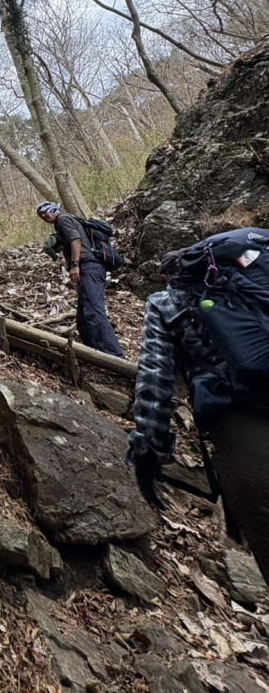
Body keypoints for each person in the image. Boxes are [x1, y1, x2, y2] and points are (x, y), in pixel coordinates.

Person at [127, 239, 269, 584]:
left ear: (167, 276)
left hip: (242, 433)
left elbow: (155, 380)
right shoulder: (254, 283)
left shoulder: (166, 301)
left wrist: (148, 451)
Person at [36, 201, 125, 359]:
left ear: (53, 210)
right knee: (83, 316)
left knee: (93, 311)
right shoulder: (68, 220)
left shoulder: (62, 219)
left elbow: (76, 239)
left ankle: (115, 357)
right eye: (40, 215)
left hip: (88, 267)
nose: (44, 216)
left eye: (45, 212)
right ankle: (92, 354)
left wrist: (75, 265)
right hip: (89, 268)